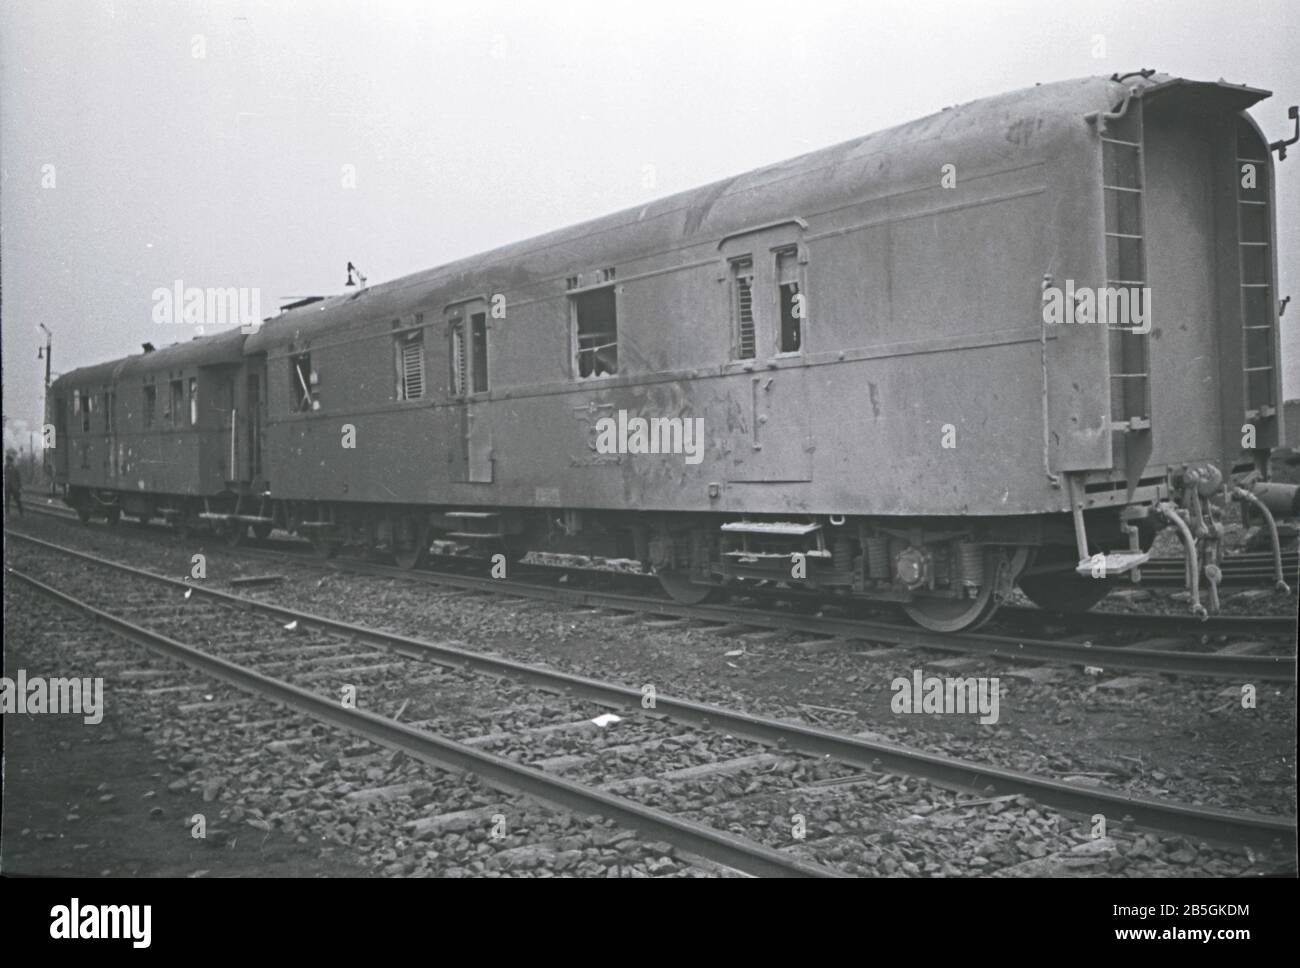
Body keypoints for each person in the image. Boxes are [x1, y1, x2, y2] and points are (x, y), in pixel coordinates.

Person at [5, 450, 23, 517]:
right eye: (6, 460)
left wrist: (20, 488)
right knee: (7, 501)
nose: (7, 462)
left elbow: (19, 479)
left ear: (11, 461)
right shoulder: (5, 468)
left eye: (8, 461)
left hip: (15, 487)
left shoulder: (15, 468)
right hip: (7, 487)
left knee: (17, 500)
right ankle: (7, 513)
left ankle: (21, 513)